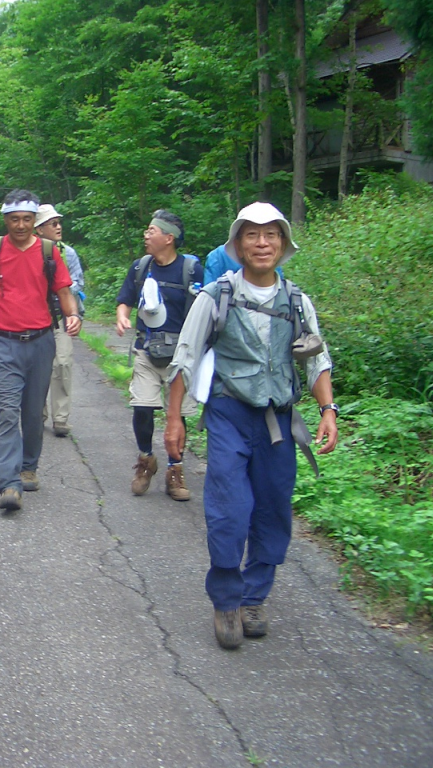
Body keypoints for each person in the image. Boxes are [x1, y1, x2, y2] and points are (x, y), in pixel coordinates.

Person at [164, 202, 339, 651]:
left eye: (271, 235)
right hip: (228, 415)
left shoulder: (297, 300)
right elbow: (185, 357)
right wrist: (174, 419)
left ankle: (254, 597)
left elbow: (317, 359)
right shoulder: (215, 296)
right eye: (252, 235)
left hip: (279, 420)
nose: (262, 243)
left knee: (273, 508)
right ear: (238, 244)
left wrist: (328, 410)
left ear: (283, 243)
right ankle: (226, 600)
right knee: (229, 506)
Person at [0, 189, 81, 512]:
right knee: (8, 411)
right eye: (14, 219)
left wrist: (71, 315)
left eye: (27, 220)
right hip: (2, 342)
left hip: (41, 341)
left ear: (35, 220)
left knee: (33, 413)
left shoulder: (48, 251)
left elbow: (62, 289)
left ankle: (29, 465)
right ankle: (9, 483)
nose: (20, 226)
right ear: (5, 219)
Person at [115, 210, 203, 501]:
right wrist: (122, 317)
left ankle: (174, 470)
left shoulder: (190, 270)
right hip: (146, 350)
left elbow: (203, 310)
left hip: (181, 355)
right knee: (142, 407)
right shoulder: (140, 267)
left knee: (177, 414)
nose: (146, 234)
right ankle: (146, 460)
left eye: (152, 230)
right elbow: (125, 299)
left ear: (169, 238)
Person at [33, 204, 85, 438]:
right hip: (36, 318)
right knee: (37, 368)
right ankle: (38, 413)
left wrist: (63, 291)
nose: (59, 227)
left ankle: (61, 419)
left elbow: (78, 284)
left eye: (58, 222)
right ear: (39, 229)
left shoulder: (68, 253)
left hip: (61, 317)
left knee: (62, 364)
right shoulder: (31, 252)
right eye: (53, 223)